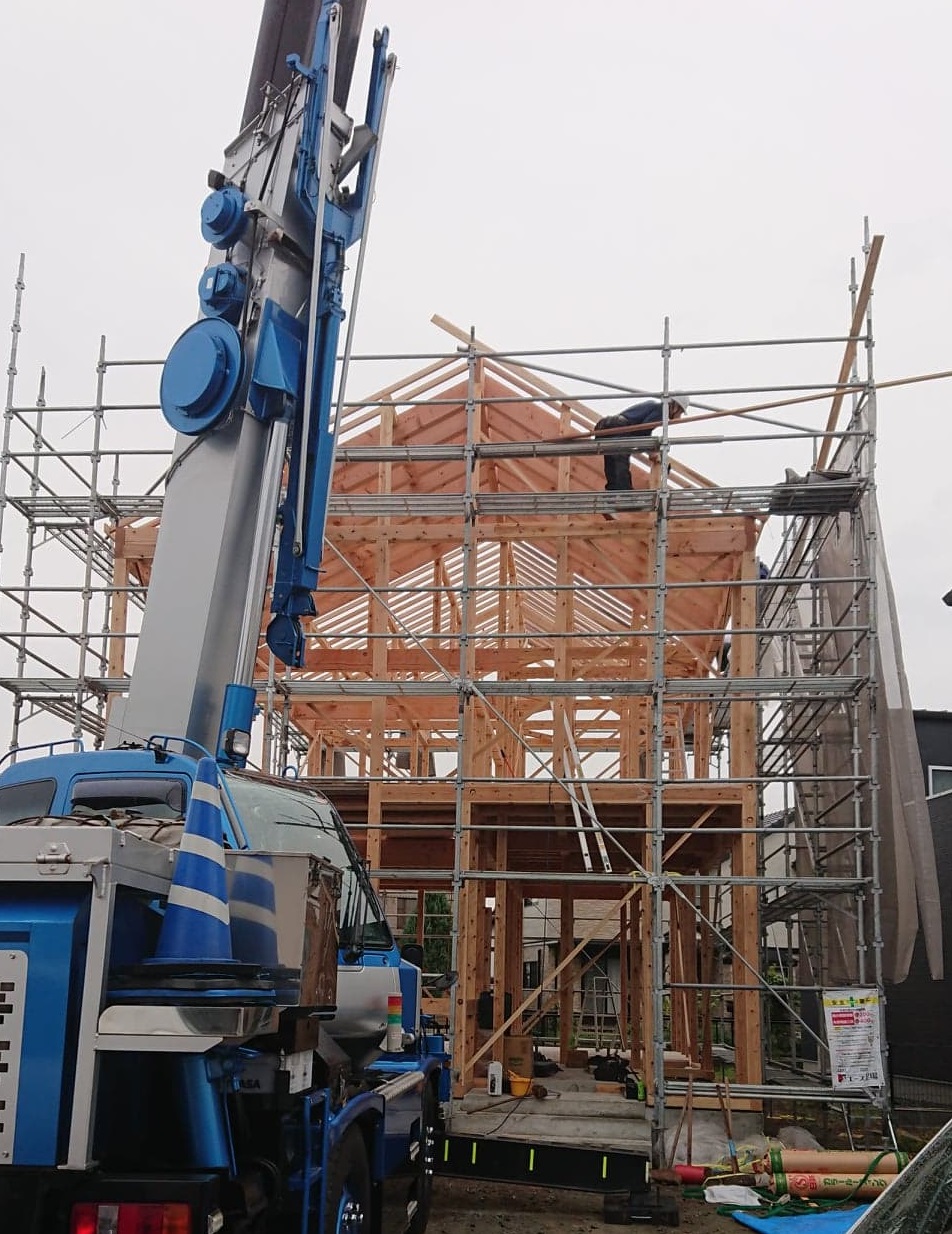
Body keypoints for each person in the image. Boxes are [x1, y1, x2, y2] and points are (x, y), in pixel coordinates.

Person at [593, 396, 689, 491]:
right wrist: (652, 451)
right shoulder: (662, 411)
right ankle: (622, 491)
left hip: (605, 426)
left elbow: (640, 432)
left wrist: (650, 449)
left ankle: (614, 491)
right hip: (618, 426)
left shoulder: (654, 406)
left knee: (612, 459)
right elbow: (644, 430)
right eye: (680, 412)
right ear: (676, 407)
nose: (679, 416)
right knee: (620, 458)